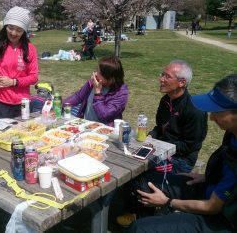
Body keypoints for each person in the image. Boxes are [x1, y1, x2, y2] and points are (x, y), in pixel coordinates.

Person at [128, 74, 237, 233]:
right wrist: (209, 176)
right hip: (210, 187)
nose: (212, 118)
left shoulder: (193, 111)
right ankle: (150, 221)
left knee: (139, 229)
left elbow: (211, 207)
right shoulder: (232, 133)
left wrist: (167, 202)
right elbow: (229, 174)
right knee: (145, 182)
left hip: (223, 219)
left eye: (217, 112)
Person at [116, 60, 208, 226]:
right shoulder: (165, 101)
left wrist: (162, 147)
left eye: (167, 76)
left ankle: (145, 222)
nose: (161, 78)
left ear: (182, 83)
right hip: (161, 150)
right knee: (127, 162)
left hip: (181, 160)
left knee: (145, 181)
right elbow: (160, 128)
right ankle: (131, 210)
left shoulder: (195, 110)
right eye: (162, 74)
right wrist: (152, 136)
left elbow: (191, 146)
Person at [63, 57, 129, 126]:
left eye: (99, 72)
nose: (95, 74)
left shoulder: (120, 92)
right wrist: (60, 105)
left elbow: (104, 116)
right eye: (96, 70)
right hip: (85, 126)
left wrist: (97, 93)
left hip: (105, 131)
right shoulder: (92, 83)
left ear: (109, 78)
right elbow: (78, 97)